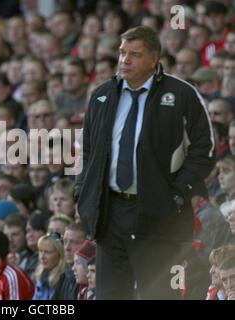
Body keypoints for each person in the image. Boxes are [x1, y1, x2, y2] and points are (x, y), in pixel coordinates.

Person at [75, 26, 215, 299]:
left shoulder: (182, 94)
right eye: (122, 53)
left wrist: (178, 193)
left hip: (159, 215)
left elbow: (205, 149)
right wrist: (84, 191)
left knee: (160, 295)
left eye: (134, 55)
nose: (124, 60)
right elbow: (87, 151)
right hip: (110, 214)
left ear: (154, 59)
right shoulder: (102, 94)